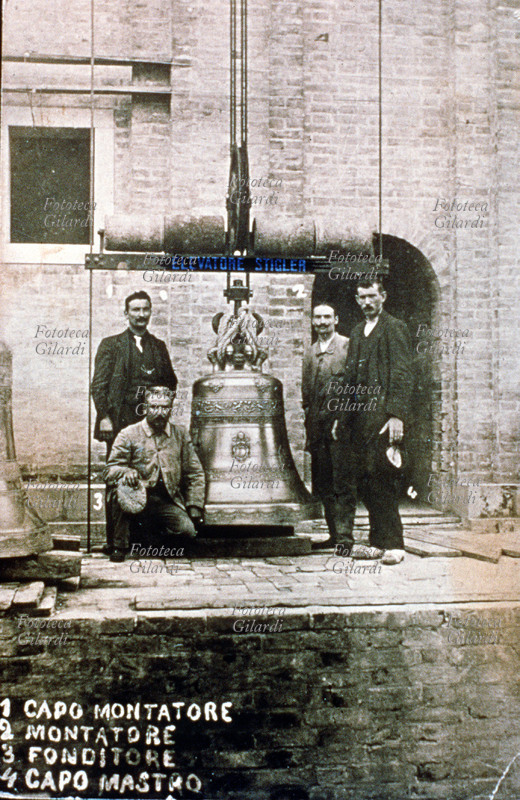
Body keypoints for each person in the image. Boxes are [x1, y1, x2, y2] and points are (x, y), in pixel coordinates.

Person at [333, 277, 413, 565]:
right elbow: (351, 379)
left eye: (371, 296)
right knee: (364, 480)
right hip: (359, 419)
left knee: (383, 478)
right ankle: (377, 542)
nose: (366, 302)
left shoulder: (394, 328)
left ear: (383, 297)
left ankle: (395, 545)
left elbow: (402, 374)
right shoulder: (356, 332)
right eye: (361, 297)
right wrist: (342, 418)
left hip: (382, 416)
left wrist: (396, 415)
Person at [104, 386, 205, 562]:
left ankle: (149, 541)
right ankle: (119, 545)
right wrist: (127, 471)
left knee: (187, 532)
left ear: (171, 409)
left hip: (166, 500)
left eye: (165, 407)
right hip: (134, 497)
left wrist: (194, 505)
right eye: (154, 407)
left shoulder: (180, 435)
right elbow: (110, 470)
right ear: (145, 408)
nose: (160, 412)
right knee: (118, 493)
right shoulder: (128, 434)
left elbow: (194, 472)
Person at [302, 303, 354, 550]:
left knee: (341, 483)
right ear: (312, 321)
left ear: (336, 319)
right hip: (317, 429)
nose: (322, 322)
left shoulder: (347, 346)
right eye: (317, 317)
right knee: (323, 483)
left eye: (327, 317)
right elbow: (307, 397)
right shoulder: (311, 352)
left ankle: (345, 538)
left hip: (339, 427)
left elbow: (355, 390)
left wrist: (342, 421)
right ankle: (333, 535)